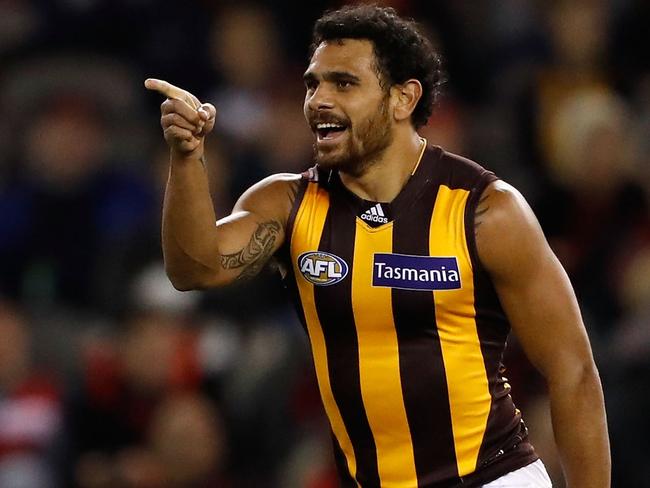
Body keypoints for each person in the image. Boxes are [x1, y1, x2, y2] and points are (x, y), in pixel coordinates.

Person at [145, 4, 610, 487]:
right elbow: (192, 270)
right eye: (313, 84)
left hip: (491, 477)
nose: (319, 100)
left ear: (403, 98)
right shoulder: (287, 204)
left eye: (343, 84)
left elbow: (572, 371)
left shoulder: (486, 211)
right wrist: (187, 156)